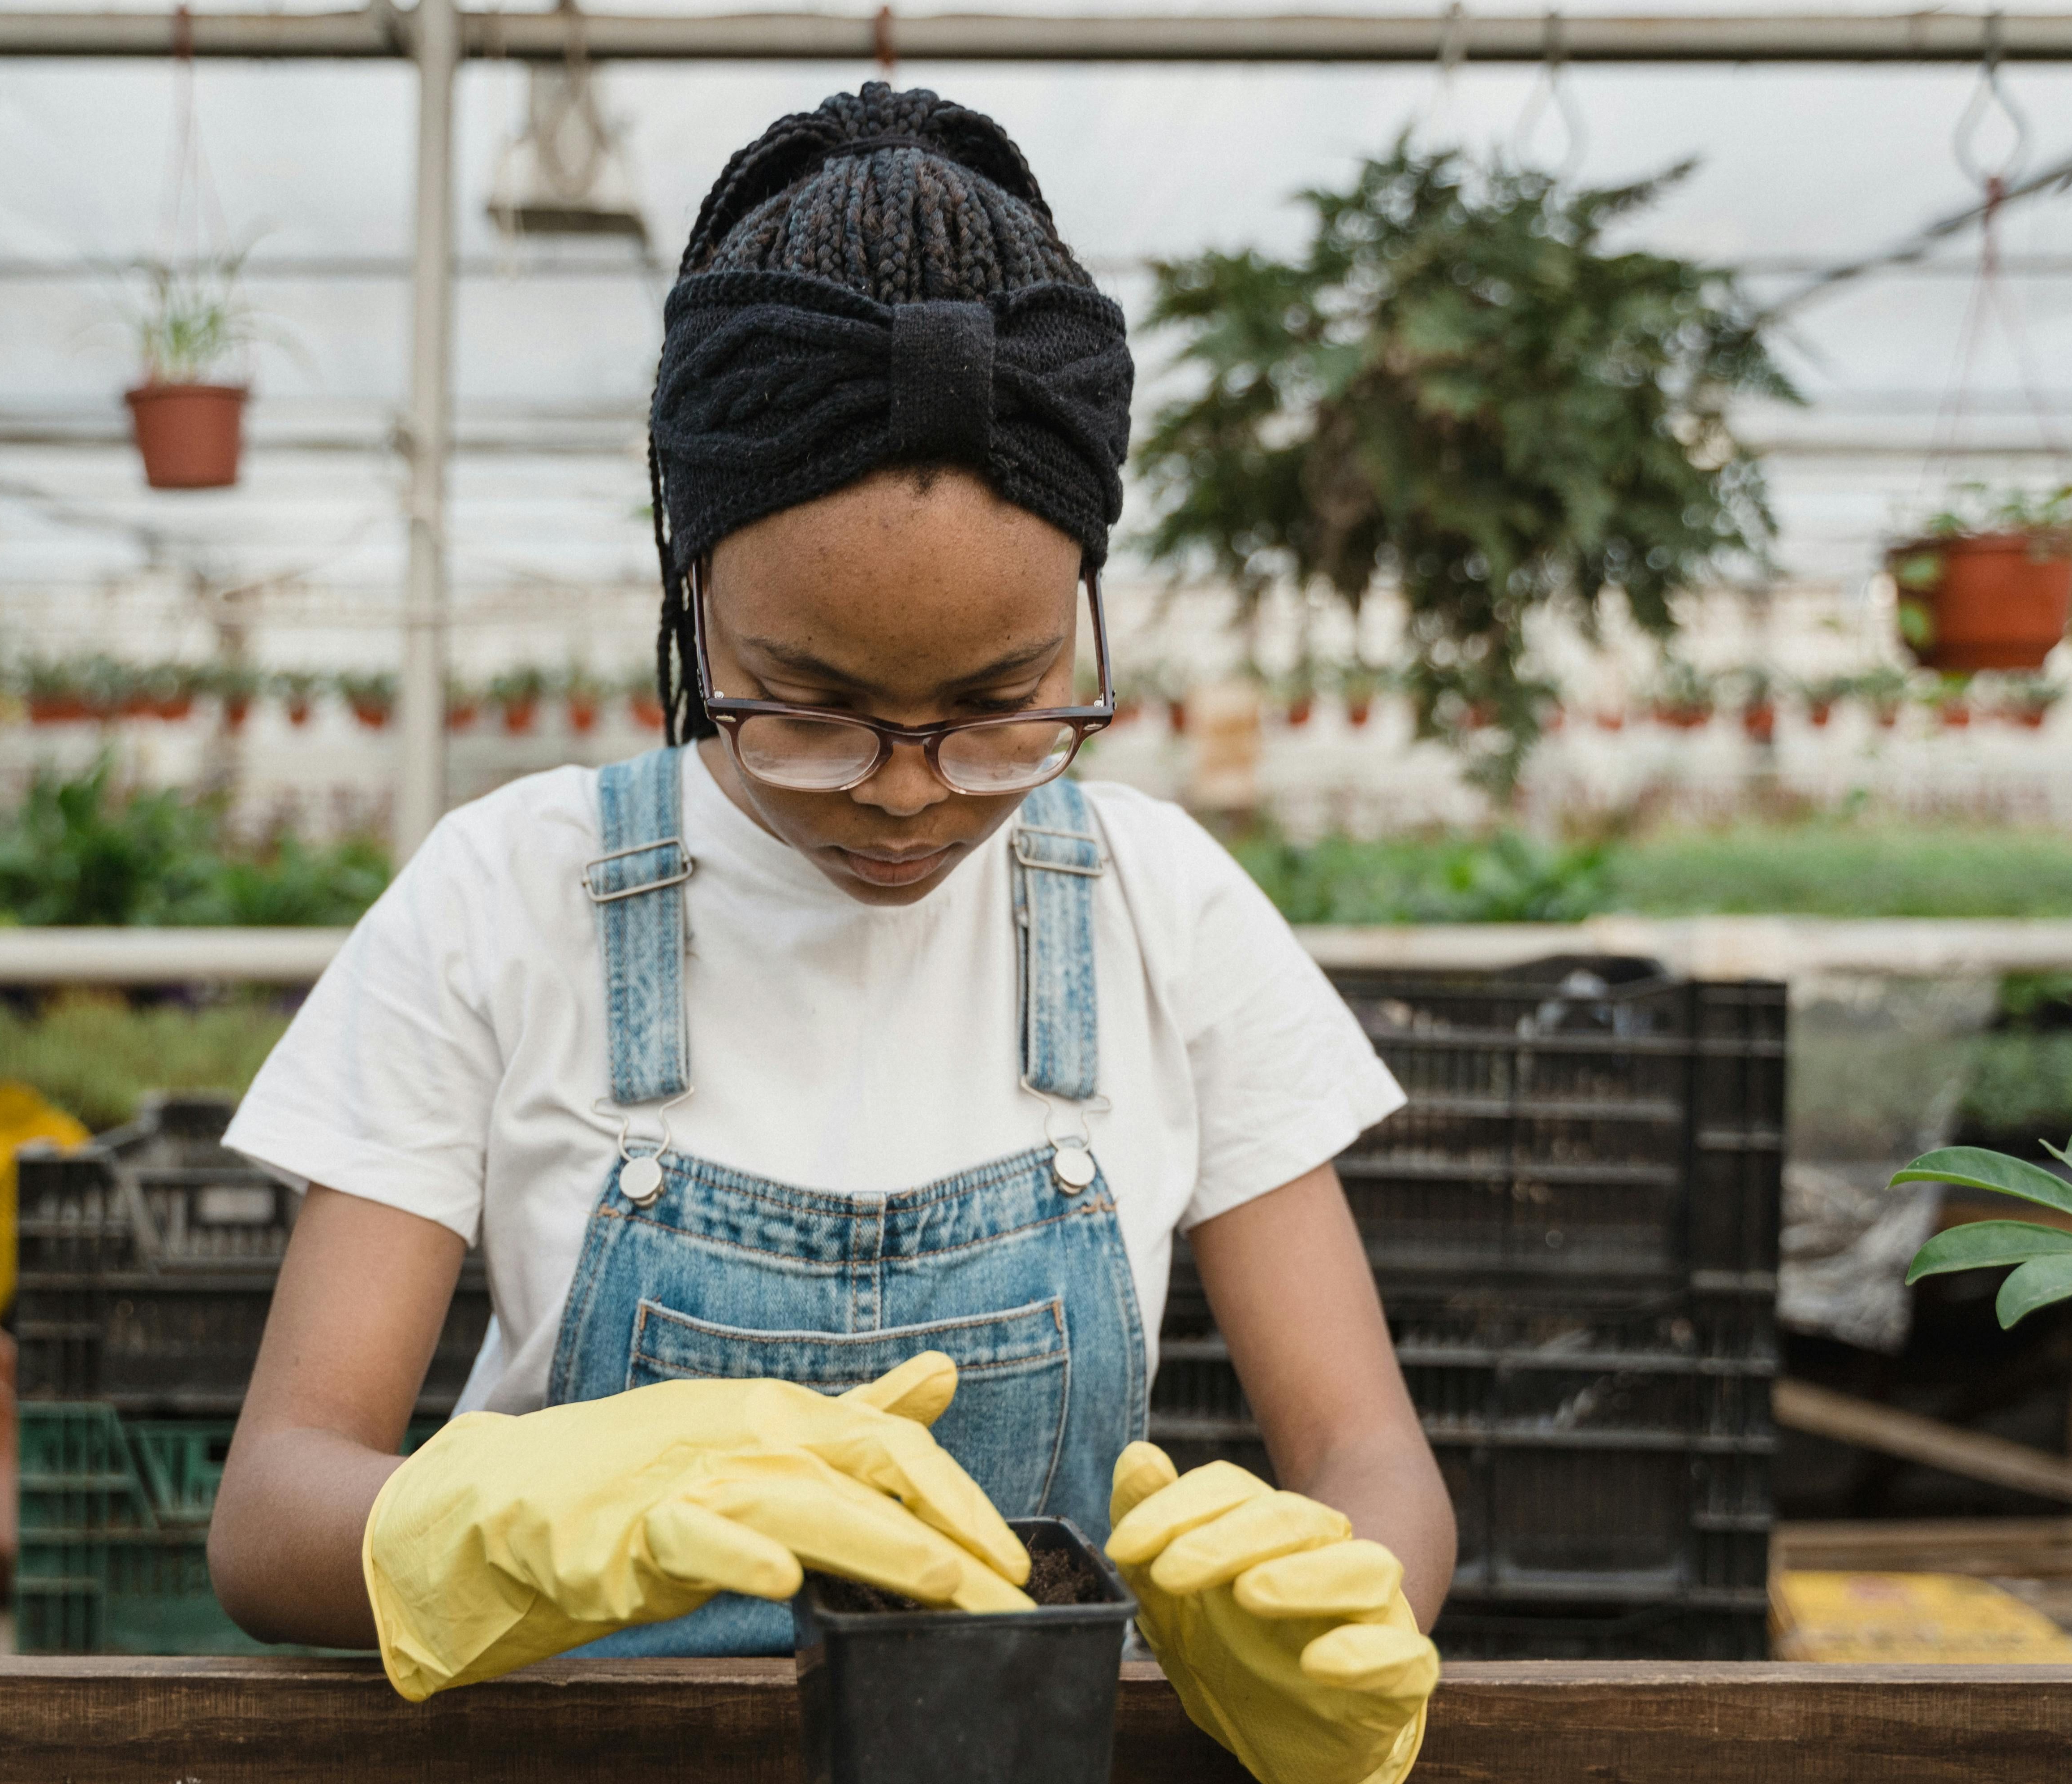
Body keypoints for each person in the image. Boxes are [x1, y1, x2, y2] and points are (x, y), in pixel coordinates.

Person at [207, 82, 1453, 1784]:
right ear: (690, 590)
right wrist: (493, 1528)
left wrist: (1332, 1607)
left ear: (1084, 617)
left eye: (1001, 708)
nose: (904, 793)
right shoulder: (511, 897)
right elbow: (274, 1509)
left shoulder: (1161, 911)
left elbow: (1373, 1463)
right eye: (805, 708)